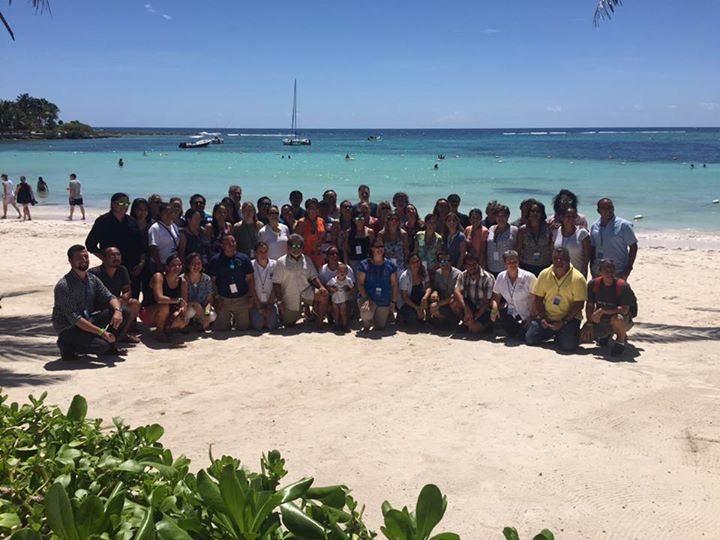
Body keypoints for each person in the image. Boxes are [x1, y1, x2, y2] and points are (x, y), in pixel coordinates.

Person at [52, 245, 126, 360]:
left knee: (124, 311)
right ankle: (66, 345)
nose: (84, 260)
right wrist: (102, 333)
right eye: (79, 258)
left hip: (88, 319)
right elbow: (75, 319)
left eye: (86, 257)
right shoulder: (64, 286)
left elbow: (110, 296)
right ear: (70, 260)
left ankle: (110, 346)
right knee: (102, 346)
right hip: (69, 328)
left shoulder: (92, 279)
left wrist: (117, 311)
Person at [525, 247, 587, 352]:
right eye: (556, 258)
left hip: (568, 319)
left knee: (568, 347)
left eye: (562, 259)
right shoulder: (544, 274)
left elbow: (579, 304)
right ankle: (557, 334)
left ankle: (561, 334)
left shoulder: (578, 278)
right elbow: (538, 298)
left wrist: (564, 322)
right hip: (547, 317)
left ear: (569, 259)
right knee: (530, 339)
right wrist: (543, 317)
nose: (558, 261)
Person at [85, 193, 146, 291]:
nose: (124, 206)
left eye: (127, 204)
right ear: (113, 204)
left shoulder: (131, 221)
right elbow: (90, 244)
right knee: (110, 295)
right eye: (121, 203)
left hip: (132, 267)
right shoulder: (103, 221)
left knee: (132, 295)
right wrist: (105, 259)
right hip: (111, 267)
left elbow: (141, 245)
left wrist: (141, 264)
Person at [581, 259, 636, 356]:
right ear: (600, 272)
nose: (609, 274)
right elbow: (589, 305)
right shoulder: (593, 284)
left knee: (617, 319)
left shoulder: (623, 286)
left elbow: (624, 310)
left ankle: (620, 342)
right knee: (582, 337)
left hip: (622, 320)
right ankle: (606, 335)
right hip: (601, 320)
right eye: (606, 271)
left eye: (612, 271)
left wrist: (603, 311)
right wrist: (589, 323)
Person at [272, 234, 329, 328]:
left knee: (324, 295)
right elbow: (276, 283)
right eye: (294, 246)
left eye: (299, 246)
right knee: (288, 324)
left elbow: (313, 277)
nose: (296, 248)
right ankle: (300, 313)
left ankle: (319, 322)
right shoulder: (281, 262)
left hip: (306, 291)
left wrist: (321, 287)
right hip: (290, 296)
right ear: (289, 247)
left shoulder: (307, 259)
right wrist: (279, 301)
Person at [88, 246, 141, 343]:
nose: (116, 257)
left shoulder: (122, 270)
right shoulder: (94, 273)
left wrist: (122, 299)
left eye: (118, 255)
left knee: (134, 303)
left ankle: (122, 334)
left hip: (116, 302)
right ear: (103, 258)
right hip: (99, 307)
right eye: (112, 255)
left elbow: (127, 291)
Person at [206, 235, 256, 331]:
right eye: (228, 242)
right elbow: (212, 281)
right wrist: (217, 298)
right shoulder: (215, 260)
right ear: (222, 245)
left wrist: (251, 297)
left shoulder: (244, 258)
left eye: (233, 242)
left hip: (241, 299)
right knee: (222, 329)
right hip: (224, 300)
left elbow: (250, 279)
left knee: (244, 328)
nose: (231, 244)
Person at [490, 250, 537, 339]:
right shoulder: (500, 277)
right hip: (511, 314)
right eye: (509, 262)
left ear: (518, 261)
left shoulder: (528, 277)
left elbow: (536, 297)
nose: (512, 264)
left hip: (528, 316)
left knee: (526, 337)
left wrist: (532, 317)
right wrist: (494, 308)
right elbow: (496, 296)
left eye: (515, 261)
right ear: (505, 264)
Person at [141, 255, 189, 341]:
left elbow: (184, 303)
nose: (177, 267)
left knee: (181, 322)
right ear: (167, 267)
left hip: (168, 312)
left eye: (179, 265)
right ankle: (159, 332)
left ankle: (166, 328)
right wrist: (177, 300)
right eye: (174, 265)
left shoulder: (183, 282)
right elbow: (159, 299)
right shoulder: (159, 277)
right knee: (164, 305)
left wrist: (180, 312)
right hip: (148, 312)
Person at [356, 238, 399, 332]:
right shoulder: (364, 264)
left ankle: (385, 314)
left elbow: (394, 284)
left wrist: (393, 302)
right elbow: (360, 284)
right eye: (377, 247)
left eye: (382, 246)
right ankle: (367, 323)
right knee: (366, 313)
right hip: (368, 299)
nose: (380, 249)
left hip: (383, 301)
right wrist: (367, 299)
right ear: (372, 248)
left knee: (380, 326)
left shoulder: (391, 265)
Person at [589, 198, 638, 279]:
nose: (608, 210)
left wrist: (628, 268)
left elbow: (633, 246)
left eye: (610, 207)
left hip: (618, 271)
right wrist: (591, 266)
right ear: (598, 211)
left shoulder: (624, 225)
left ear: (613, 208)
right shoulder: (594, 226)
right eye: (604, 208)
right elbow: (593, 248)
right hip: (598, 271)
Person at [454, 253, 495, 333]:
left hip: (484, 309)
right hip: (470, 306)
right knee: (454, 303)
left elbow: (486, 303)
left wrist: (475, 318)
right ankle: (466, 322)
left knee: (474, 329)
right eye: (469, 265)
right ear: (465, 266)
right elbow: (456, 291)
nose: (472, 267)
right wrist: (466, 309)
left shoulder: (488, 278)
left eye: (474, 264)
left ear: (478, 264)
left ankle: (484, 325)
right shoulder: (462, 275)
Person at [552, 206, 591, 276]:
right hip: (559, 273)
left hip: (577, 273)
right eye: (568, 216)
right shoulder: (556, 232)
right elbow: (552, 253)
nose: (570, 219)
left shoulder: (582, 233)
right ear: (562, 218)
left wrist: (584, 271)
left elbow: (587, 255)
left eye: (573, 216)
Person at [516, 200, 552, 276]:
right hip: (526, 266)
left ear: (542, 214)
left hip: (545, 266)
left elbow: (551, 249)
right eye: (532, 211)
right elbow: (518, 250)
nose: (535, 213)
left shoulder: (548, 228)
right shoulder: (523, 230)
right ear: (529, 213)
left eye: (538, 211)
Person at [250, 241, 280, 332]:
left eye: (265, 251)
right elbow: (251, 287)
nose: (263, 254)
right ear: (256, 253)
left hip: (270, 301)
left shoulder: (274, 265)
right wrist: (259, 307)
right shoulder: (251, 265)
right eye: (260, 252)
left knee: (272, 326)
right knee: (258, 327)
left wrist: (270, 306)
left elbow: (275, 286)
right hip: (257, 302)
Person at [183, 252, 216, 331]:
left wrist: (206, 314)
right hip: (188, 307)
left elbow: (209, 300)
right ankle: (186, 325)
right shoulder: (183, 279)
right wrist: (195, 305)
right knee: (191, 311)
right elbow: (183, 301)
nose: (196, 266)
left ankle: (200, 324)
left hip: (203, 308)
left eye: (198, 263)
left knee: (212, 316)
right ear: (188, 265)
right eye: (193, 264)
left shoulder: (207, 279)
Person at [429, 249, 462, 326]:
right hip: (444, 302)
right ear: (438, 263)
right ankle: (445, 321)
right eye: (443, 261)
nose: (446, 263)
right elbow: (436, 288)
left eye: (448, 260)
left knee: (454, 302)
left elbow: (455, 296)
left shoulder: (458, 274)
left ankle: (459, 321)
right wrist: (435, 292)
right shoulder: (437, 273)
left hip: (454, 303)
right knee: (432, 298)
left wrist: (438, 304)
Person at [398, 253, 431, 324]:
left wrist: (425, 297)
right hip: (407, 302)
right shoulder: (404, 277)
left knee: (430, 300)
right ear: (408, 265)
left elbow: (428, 286)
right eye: (413, 262)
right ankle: (401, 315)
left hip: (420, 298)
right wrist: (417, 308)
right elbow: (405, 297)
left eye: (417, 261)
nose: (416, 264)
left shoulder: (423, 271)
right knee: (412, 317)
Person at [294, 198, 326, 270]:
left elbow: (324, 236)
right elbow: (296, 241)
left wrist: (319, 242)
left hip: (318, 256)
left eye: (316, 208)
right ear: (307, 210)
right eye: (312, 208)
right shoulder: (301, 222)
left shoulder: (321, 221)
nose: (314, 210)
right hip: (305, 256)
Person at [486, 204, 518, 277]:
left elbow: (518, 250)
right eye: (498, 216)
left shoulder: (514, 230)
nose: (501, 218)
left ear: (508, 216)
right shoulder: (491, 228)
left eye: (503, 216)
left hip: (506, 269)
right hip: (490, 268)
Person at [148, 203, 180, 273]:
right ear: (160, 214)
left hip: (173, 264)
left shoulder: (174, 226)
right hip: (161, 265)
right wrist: (159, 265)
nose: (169, 215)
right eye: (166, 212)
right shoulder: (155, 228)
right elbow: (153, 248)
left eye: (171, 212)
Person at [345, 207, 374, 272]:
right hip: (353, 261)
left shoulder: (370, 232)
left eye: (362, 218)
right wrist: (346, 264)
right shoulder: (349, 232)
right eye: (358, 218)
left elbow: (373, 249)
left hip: (366, 262)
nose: (360, 220)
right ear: (353, 219)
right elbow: (345, 249)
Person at [326, 262, 354, 330]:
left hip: (343, 300)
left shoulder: (348, 280)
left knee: (343, 313)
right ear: (337, 272)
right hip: (334, 300)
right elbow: (327, 285)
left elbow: (352, 289)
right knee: (336, 313)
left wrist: (348, 289)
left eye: (344, 271)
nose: (342, 273)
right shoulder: (333, 280)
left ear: (347, 273)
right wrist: (332, 289)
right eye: (340, 271)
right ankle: (336, 325)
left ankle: (345, 325)